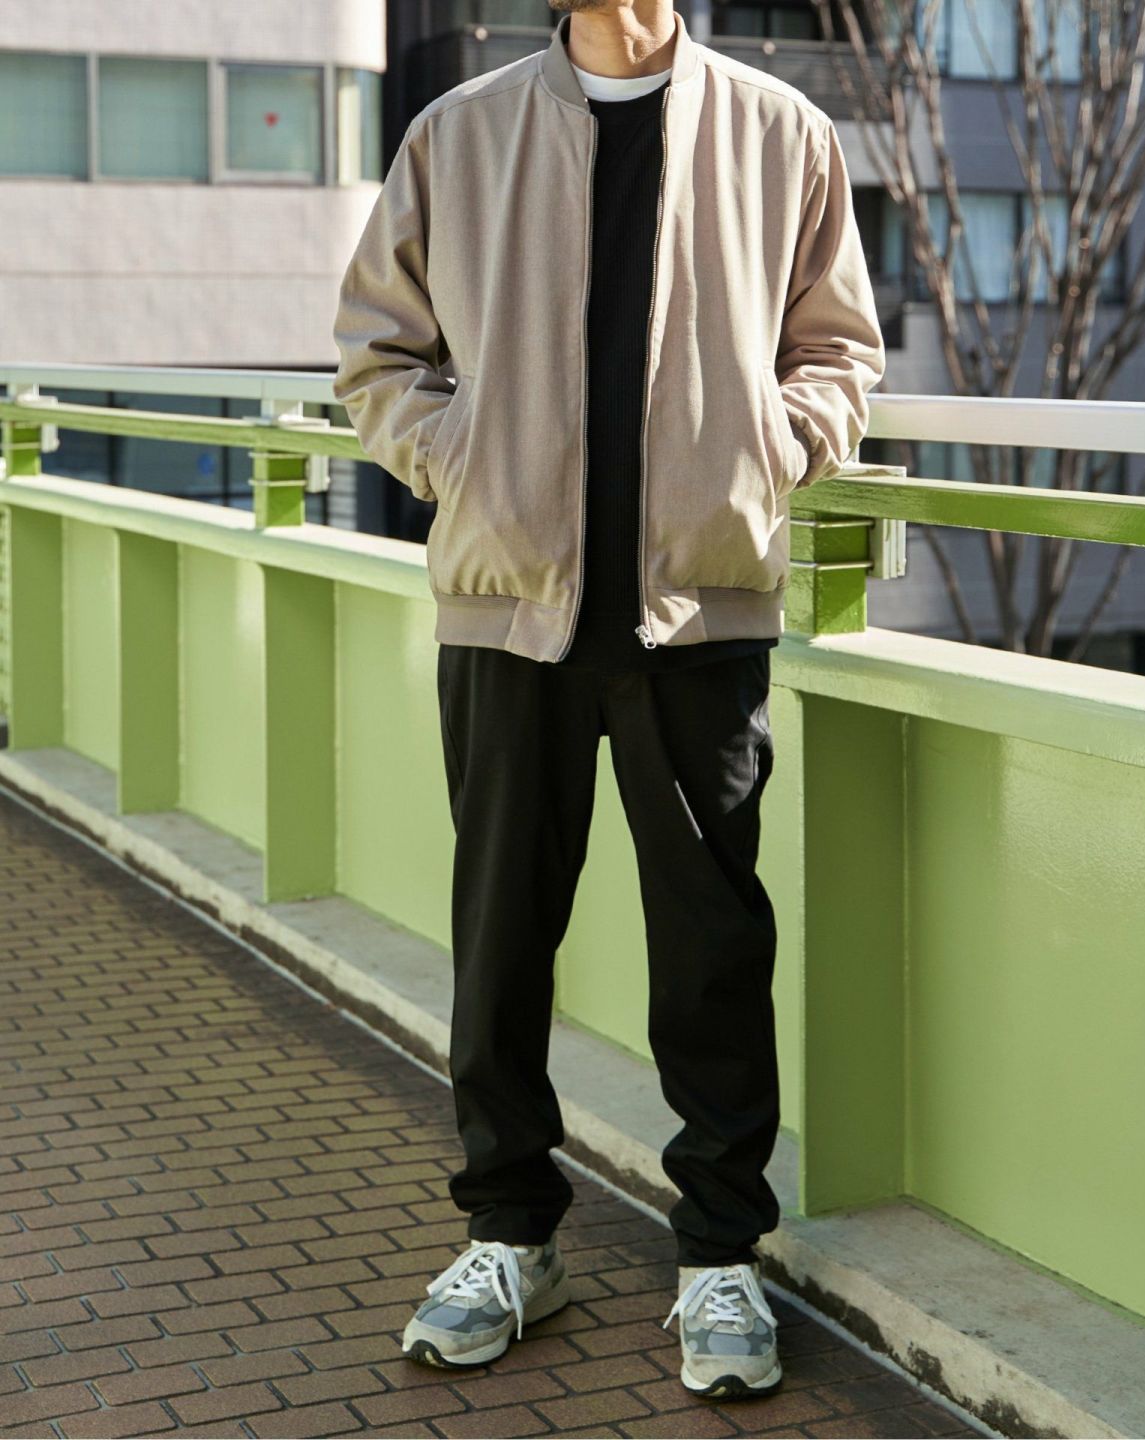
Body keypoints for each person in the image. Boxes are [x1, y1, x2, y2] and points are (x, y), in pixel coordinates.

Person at [332, 0, 885, 1400]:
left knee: (712, 947)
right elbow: (376, 353)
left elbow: (837, 348)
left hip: (698, 610)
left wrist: (768, 451)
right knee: (502, 935)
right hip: (511, 609)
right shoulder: (459, 134)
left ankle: (720, 1254)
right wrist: (463, 462)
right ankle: (511, 1236)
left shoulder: (781, 132)